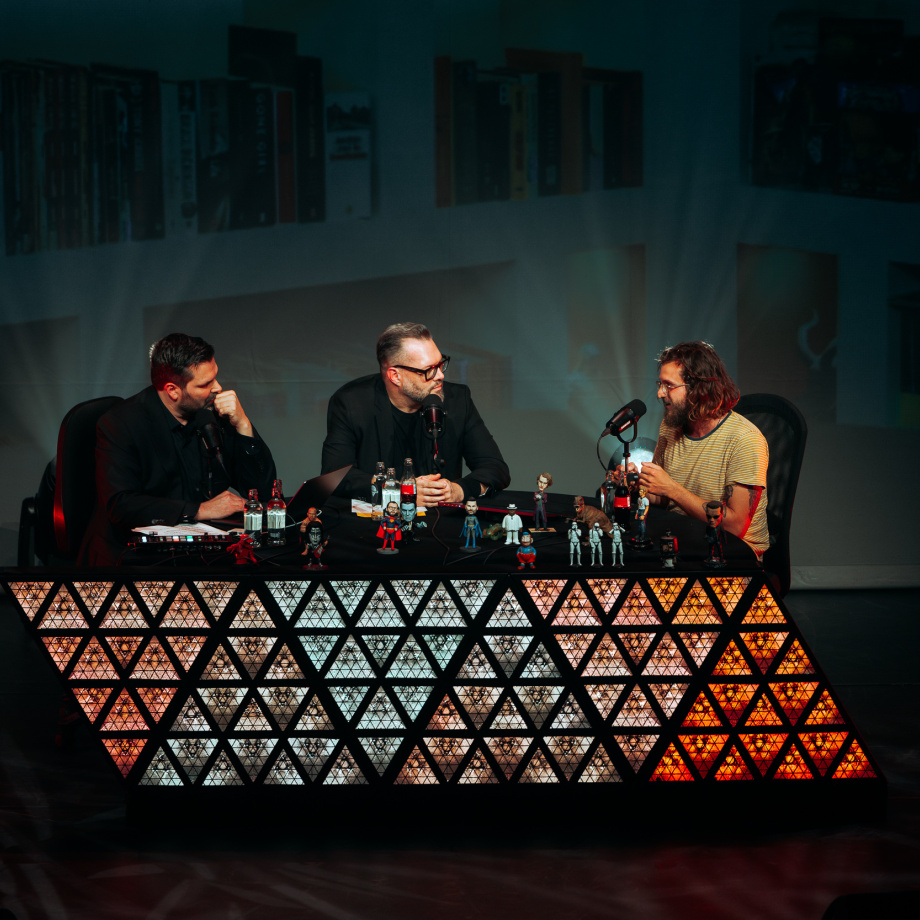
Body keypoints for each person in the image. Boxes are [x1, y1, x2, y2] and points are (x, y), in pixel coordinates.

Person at [79, 333, 276, 565]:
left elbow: (262, 491)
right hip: (133, 558)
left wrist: (243, 425)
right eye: (205, 384)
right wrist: (198, 509)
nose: (218, 388)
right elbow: (121, 505)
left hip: (197, 553)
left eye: (215, 377)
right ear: (173, 390)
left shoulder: (209, 415)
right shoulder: (121, 424)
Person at [322, 322, 510, 507]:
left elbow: (495, 467)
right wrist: (400, 492)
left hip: (443, 519)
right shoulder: (351, 402)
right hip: (379, 521)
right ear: (395, 376)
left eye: (441, 364)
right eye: (429, 370)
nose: (440, 375)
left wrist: (459, 490)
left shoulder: (457, 399)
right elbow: (335, 476)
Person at [635, 341, 769, 557]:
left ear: (698, 389)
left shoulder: (745, 440)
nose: (660, 393)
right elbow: (664, 498)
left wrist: (672, 489)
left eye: (669, 385)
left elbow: (735, 526)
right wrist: (639, 484)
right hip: (683, 541)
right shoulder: (670, 426)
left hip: (732, 554)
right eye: (660, 384)